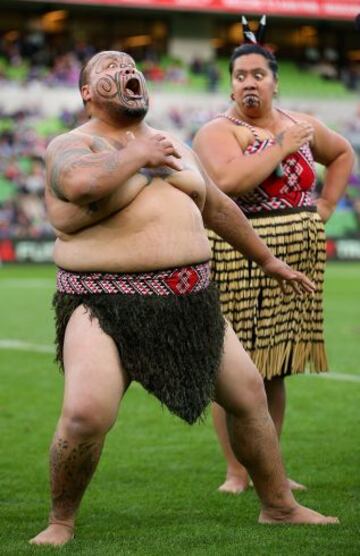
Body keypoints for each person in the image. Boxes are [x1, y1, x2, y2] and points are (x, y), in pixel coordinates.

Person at [30, 50, 338, 547]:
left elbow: (218, 207)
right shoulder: (72, 144)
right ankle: (61, 520)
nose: (124, 70)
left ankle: (278, 506)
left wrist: (267, 259)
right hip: (102, 302)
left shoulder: (173, 144)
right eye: (108, 67)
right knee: (87, 413)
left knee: (248, 396)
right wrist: (138, 156)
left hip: (191, 299)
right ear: (86, 92)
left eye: (130, 65)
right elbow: (80, 184)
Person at [193, 38, 355, 494]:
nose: (249, 83)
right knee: (235, 365)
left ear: (275, 83)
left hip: (296, 256)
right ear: (230, 87)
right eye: (240, 76)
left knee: (275, 365)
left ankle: (268, 466)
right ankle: (236, 470)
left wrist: (323, 204)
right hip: (238, 256)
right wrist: (281, 145)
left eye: (257, 75)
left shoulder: (302, 124)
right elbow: (229, 181)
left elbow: (343, 153)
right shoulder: (217, 132)